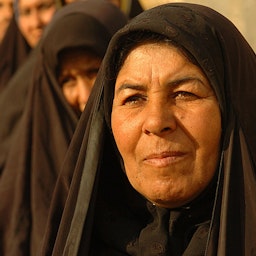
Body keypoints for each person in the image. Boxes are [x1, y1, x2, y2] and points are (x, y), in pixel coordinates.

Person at [40, 2, 256, 255]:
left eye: (184, 94)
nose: (156, 122)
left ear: (232, 107)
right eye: (133, 99)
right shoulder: (85, 241)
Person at [0, 1, 127, 255]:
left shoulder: (148, 142)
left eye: (94, 72)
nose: (83, 96)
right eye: (68, 81)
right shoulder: (39, 159)